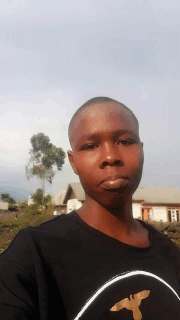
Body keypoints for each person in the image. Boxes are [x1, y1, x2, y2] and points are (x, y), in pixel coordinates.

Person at [0, 97, 180, 319]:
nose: (110, 157)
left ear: (141, 150)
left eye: (125, 141)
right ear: (73, 162)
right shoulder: (32, 257)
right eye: (90, 146)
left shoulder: (170, 254)